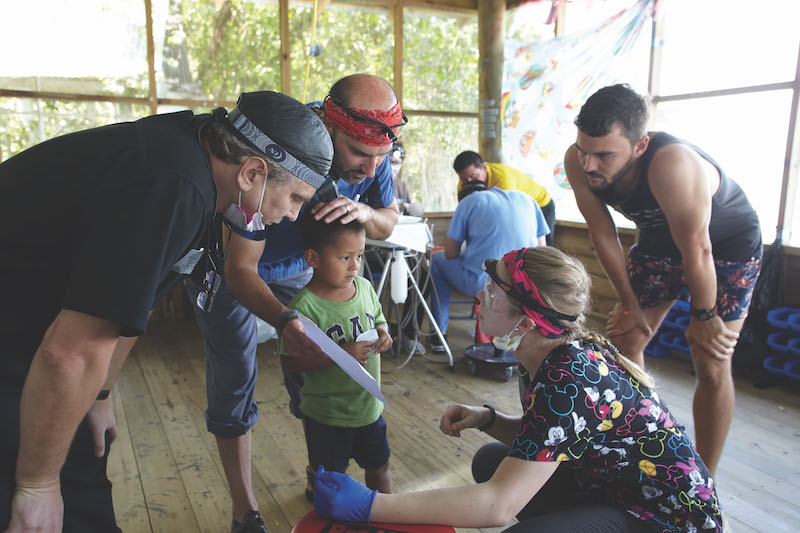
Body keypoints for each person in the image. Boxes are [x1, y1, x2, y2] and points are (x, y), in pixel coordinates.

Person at [0, 91, 334, 533]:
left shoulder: (197, 151)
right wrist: (38, 485)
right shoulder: (172, 185)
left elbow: (126, 306)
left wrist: (99, 395)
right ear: (252, 172)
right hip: (23, 346)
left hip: (44, 339)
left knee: (85, 494)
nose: (293, 215)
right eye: (295, 197)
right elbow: (70, 354)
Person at [312, 246, 724, 533]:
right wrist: (488, 419)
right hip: (615, 486)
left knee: (510, 514)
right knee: (493, 460)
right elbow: (551, 437)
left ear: (525, 323)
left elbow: (497, 507)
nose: (479, 296)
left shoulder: (569, 379)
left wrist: (372, 505)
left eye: (491, 294)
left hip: (666, 520)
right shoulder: (549, 355)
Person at [182, 73, 403, 530]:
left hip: (302, 267)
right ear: (325, 123)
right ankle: (245, 508)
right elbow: (241, 265)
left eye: (381, 157)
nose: (370, 169)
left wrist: (362, 211)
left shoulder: (373, 160)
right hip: (229, 264)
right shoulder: (285, 140)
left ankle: (320, 463)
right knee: (236, 370)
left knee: (313, 366)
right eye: (359, 153)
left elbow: (388, 219)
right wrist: (284, 320)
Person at [564, 84, 762, 475]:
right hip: (659, 243)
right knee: (623, 339)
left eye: (604, 155)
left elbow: (698, 249)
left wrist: (703, 318)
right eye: (585, 151)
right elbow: (602, 234)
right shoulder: (579, 160)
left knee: (711, 360)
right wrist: (630, 305)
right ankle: (655, 445)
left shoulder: (673, 164)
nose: (590, 166)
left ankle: (704, 480)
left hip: (726, 247)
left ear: (640, 146)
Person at [280, 214, 393, 503]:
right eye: (345, 257)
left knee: (379, 469)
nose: (355, 265)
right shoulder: (303, 308)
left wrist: (383, 332)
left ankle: (386, 516)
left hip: (369, 408)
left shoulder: (365, 287)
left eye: (359, 255)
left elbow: (379, 319)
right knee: (330, 480)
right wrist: (338, 356)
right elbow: (290, 363)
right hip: (327, 416)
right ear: (313, 258)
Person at [427, 182, 549, 353]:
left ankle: (439, 334)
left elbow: (451, 253)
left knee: (438, 260)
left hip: (485, 284)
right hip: (526, 287)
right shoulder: (527, 199)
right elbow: (541, 250)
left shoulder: (469, 201)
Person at [453, 151, 555, 245]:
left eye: (474, 176)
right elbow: (465, 210)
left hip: (541, 203)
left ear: (484, 168)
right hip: (518, 208)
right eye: (464, 179)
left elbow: (507, 217)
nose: (469, 181)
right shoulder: (464, 182)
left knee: (545, 249)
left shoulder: (503, 179)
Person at [389, 142, 424, 217]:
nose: (391, 167)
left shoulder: (402, 187)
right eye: (388, 162)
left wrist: (416, 210)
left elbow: (406, 212)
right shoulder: (370, 183)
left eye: (396, 163)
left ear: (401, 164)